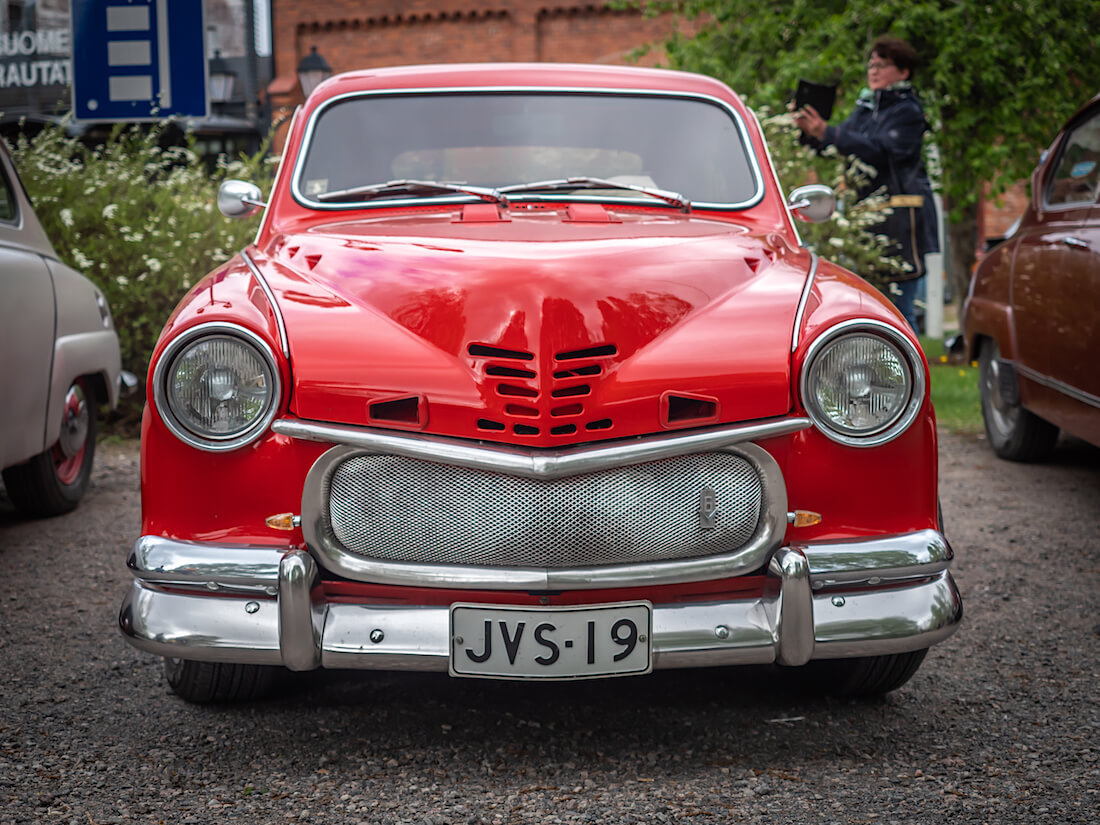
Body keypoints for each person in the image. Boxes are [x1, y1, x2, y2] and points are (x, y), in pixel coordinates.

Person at [792, 36, 939, 333]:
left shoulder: (907, 111)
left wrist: (829, 132)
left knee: (899, 309)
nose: (873, 71)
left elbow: (881, 150)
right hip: (868, 221)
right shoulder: (865, 108)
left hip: (900, 221)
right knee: (871, 307)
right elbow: (837, 143)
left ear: (904, 72)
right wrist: (811, 131)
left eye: (882, 65)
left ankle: (911, 374)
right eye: (871, 65)